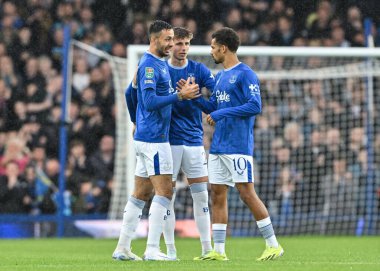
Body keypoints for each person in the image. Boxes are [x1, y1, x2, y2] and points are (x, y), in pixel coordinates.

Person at [189, 27, 284, 261]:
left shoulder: (246, 74)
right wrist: (195, 98)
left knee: (246, 193)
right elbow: (215, 110)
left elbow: (255, 106)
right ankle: (219, 251)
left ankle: (273, 245)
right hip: (219, 145)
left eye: (212, 47)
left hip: (238, 145)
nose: (211, 52)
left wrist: (222, 114)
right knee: (217, 194)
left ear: (223, 48)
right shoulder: (219, 77)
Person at [112, 20, 200, 261]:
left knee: (139, 194)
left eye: (173, 39)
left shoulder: (152, 63)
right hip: (155, 139)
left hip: (145, 137)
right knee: (164, 191)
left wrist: (134, 121)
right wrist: (178, 95)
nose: (171, 44)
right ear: (154, 40)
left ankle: (122, 247)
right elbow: (149, 102)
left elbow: (130, 92)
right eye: (168, 39)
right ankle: (151, 249)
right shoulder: (150, 65)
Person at [163, 27, 215, 260]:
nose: (183, 48)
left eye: (186, 44)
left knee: (201, 195)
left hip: (194, 141)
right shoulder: (161, 69)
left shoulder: (199, 70)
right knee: (167, 196)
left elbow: (215, 106)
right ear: (170, 44)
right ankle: (171, 250)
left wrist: (196, 97)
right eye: (178, 44)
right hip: (168, 141)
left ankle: (207, 249)